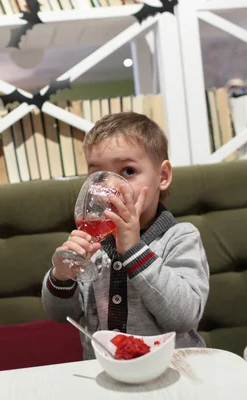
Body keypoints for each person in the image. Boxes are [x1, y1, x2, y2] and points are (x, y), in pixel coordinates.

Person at [41, 112, 210, 359]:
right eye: (97, 176)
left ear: (162, 177)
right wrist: (62, 276)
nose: (110, 188)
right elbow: (58, 314)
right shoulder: (93, 244)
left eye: (128, 171)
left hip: (174, 371)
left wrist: (134, 250)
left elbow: (184, 316)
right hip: (107, 373)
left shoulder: (180, 238)